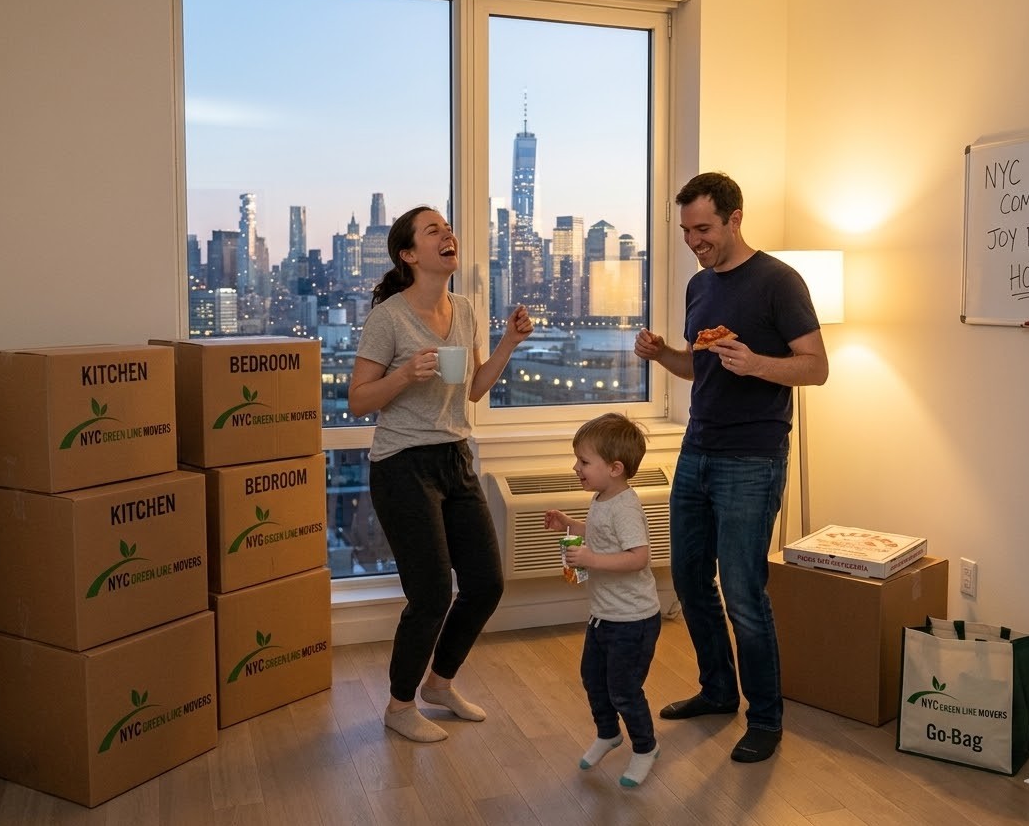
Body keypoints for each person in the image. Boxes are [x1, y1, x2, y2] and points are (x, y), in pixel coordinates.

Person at [634, 171, 828, 764]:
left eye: (705, 229)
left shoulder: (779, 281)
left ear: (735, 217)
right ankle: (718, 691)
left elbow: (816, 367)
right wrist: (663, 354)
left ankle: (765, 717)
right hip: (697, 450)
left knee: (744, 591)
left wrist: (758, 364)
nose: (696, 241)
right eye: (688, 231)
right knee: (690, 580)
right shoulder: (699, 288)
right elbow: (702, 369)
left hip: (753, 455)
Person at [348, 204, 534, 743]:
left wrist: (509, 343)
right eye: (434, 231)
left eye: (448, 228)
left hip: (455, 458)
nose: (448, 235)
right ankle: (400, 706)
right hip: (403, 465)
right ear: (409, 254)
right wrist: (405, 374)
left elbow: (474, 389)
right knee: (430, 595)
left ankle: (439, 684)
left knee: (485, 584)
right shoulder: (388, 317)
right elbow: (359, 401)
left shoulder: (466, 309)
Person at [544, 413, 662, 787]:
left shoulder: (626, 506)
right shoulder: (601, 499)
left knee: (625, 690)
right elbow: (599, 533)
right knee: (593, 680)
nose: (575, 467)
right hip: (603, 616)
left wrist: (592, 560)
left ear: (614, 468)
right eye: (577, 459)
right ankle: (609, 733)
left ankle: (645, 748)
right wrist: (570, 524)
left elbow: (638, 557)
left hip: (633, 621)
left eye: (583, 461)